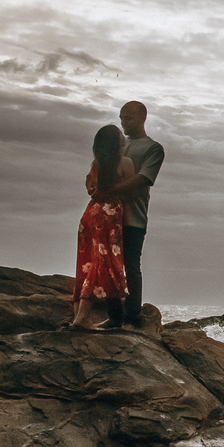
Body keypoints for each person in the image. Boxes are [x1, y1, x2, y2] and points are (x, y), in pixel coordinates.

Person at [105, 100, 165, 328]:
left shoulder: (153, 148)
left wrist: (111, 189)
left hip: (134, 217)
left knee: (131, 265)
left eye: (128, 118)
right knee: (110, 265)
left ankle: (132, 315)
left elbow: (143, 179)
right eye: (121, 118)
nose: (123, 123)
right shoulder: (119, 145)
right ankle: (114, 316)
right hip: (110, 216)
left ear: (142, 118)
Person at [71, 125, 134, 329]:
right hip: (109, 216)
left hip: (90, 214)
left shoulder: (96, 164)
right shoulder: (125, 163)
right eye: (120, 135)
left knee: (87, 263)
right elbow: (132, 191)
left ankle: (80, 316)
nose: (123, 137)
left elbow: (90, 188)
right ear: (115, 143)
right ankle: (82, 319)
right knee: (104, 264)